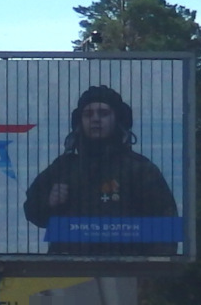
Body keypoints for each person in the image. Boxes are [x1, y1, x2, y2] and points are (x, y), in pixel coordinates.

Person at [21, 83, 181, 257]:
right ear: (80, 122)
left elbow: (166, 226)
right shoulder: (63, 167)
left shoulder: (139, 168)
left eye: (103, 113)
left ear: (117, 119)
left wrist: (149, 273)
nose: (95, 119)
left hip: (124, 272)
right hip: (66, 272)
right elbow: (32, 210)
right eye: (88, 114)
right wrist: (48, 202)